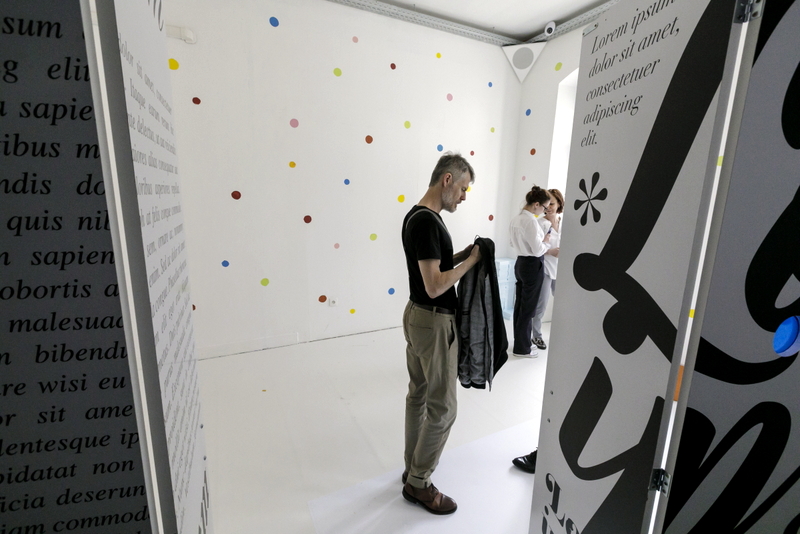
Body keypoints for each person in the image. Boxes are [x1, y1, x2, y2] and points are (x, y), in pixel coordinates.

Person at [400, 152, 482, 515]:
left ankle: (412, 469)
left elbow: (431, 268)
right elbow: (435, 286)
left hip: (417, 316)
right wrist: (472, 261)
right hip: (433, 321)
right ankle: (419, 483)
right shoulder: (428, 223)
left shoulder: (416, 215)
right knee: (443, 408)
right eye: (463, 188)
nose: (463, 196)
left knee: (418, 396)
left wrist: (462, 254)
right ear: (447, 180)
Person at [508, 186, 556, 357]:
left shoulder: (516, 219)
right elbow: (538, 250)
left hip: (520, 263)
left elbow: (512, 244)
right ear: (536, 204)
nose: (545, 211)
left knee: (520, 305)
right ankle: (522, 348)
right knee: (528, 308)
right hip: (532, 265)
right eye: (545, 207)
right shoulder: (530, 221)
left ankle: (521, 343)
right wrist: (546, 241)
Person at [531, 189, 564, 351]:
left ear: (559, 204)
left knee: (563, 304)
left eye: (552, 204)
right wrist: (550, 252)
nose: (549, 207)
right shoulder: (539, 224)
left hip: (562, 270)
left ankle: (561, 333)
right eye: (547, 204)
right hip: (545, 268)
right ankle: (536, 335)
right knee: (541, 305)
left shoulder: (564, 223)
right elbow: (534, 249)